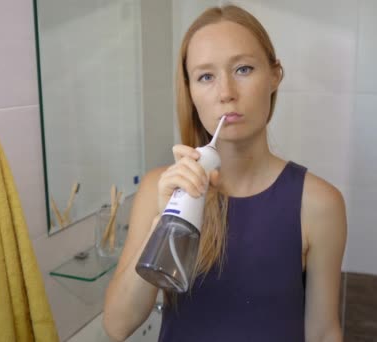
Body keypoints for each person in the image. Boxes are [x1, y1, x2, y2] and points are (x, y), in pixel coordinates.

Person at [103, 4, 346, 342]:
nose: (226, 93)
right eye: (206, 76)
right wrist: (164, 224)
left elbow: (322, 333)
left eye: (244, 69)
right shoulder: (157, 190)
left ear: (274, 76)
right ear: (190, 91)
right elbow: (117, 326)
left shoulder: (319, 203)